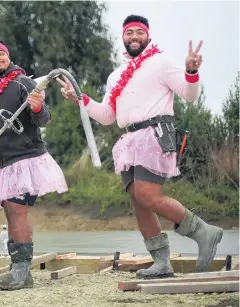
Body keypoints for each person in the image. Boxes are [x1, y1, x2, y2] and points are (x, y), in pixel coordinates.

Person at [57, 15, 223, 279]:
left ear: (148, 36)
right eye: (129, 32)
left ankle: (204, 232)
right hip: (129, 140)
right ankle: (161, 262)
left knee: (147, 195)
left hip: (156, 134)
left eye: (139, 32)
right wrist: (80, 98)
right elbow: (108, 116)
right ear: (123, 37)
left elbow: (190, 96)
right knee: (139, 201)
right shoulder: (116, 76)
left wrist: (191, 71)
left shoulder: (162, 62)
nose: (134, 37)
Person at [0, 39, 67, 290]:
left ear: (9, 57)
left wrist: (37, 107)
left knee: (16, 209)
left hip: (27, 157)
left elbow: (44, 118)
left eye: (2, 53)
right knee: (10, 212)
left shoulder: (24, 83)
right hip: (2, 163)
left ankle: (22, 273)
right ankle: (18, 270)